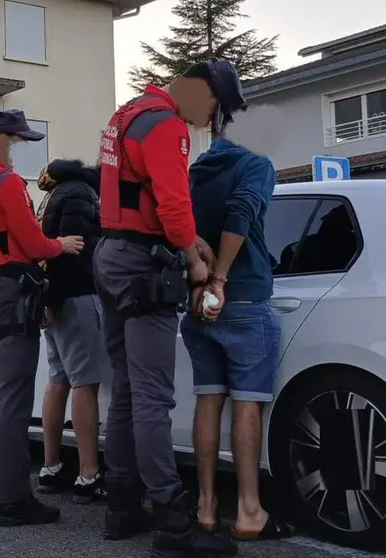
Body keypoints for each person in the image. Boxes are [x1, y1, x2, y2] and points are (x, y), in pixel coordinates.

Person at [94, 58, 243, 557]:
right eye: (214, 113)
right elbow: (174, 204)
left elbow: (141, 196)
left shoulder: (129, 113)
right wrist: (197, 266)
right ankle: (174, 523)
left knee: (128, 390)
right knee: (154, 398)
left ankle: (121, 506)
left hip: (111, 254)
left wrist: (188, 240)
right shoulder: (168, 124)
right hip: (142, 266)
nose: (207, 125)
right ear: (205, 92)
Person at [0, 109, 85, 527]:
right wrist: (60, 244)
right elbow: (31, 241)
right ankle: (12, 501)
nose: (23, 148)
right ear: (1, 140)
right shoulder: (7, 183)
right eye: (20, 141)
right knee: (11, 400)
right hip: (11, 291)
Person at [183, 105, 294, 542]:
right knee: (247, 402)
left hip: (195, 303)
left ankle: (206, 506)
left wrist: (199, 280)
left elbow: (179, 227)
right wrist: (220, 278)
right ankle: (249, 510)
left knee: (207, 400)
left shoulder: (194, 173)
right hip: (243, 294)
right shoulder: (256, 164)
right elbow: (242, 213)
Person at [34, 159, 110, 505]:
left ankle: (51, 467)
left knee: (59, 378)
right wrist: (57, 298)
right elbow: (75, 252)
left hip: (55, 297)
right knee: (85, 382)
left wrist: (47, 300)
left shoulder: (51, 198)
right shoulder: (81, 194)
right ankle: (89, 474)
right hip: (76, 296)